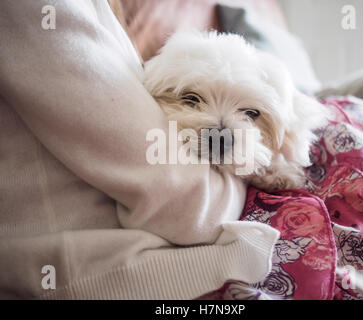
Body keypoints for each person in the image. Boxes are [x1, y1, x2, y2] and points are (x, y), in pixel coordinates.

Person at [0, 0, 279, 299]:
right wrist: (245, 175)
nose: (220, 135)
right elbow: (187, 211)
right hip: (107, 274)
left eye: (249, 114)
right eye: (191, 99)